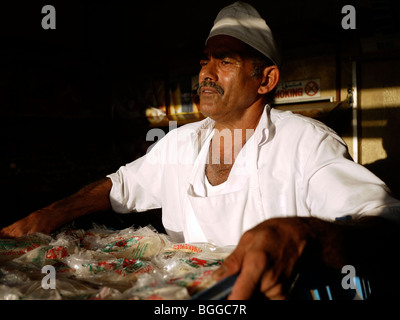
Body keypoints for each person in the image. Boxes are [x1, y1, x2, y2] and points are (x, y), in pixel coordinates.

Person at [1, 2, 400, 299]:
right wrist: (47, 214)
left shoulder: (304, 143)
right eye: (205, 61)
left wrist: (305, 233)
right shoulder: (180, 142)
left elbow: (385, 225)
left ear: (266, 79)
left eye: (225, 61)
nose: (206, 73)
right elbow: (118, 185)